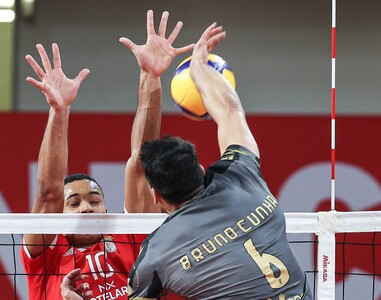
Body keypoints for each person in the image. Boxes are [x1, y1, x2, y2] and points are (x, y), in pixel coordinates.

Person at [127, 23, 312, 300]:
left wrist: (150, 77)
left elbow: (138, 167)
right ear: (200, 170)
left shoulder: (157, 252)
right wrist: (200, 67)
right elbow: (230, 111)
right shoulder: (242, 176)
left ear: (156, 197)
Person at [20, 10, 194, 300]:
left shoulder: (130, 234)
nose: (86, 208)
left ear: (106, 208)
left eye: (94, 199)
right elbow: (48, 192)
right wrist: (59, 111)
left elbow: (142, 162)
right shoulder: (46, 256)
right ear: (59, 216)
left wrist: (150, 76)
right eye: (73, 203)